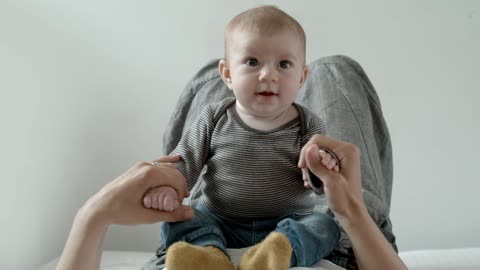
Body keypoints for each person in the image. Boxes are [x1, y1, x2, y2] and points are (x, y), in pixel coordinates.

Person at [142, 6, 341, 270]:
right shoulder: (214, 116)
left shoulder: (309, 123)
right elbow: (184, 161)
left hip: (287, 223)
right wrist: (168, 187)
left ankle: (277, 252)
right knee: (179, 218)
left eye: (283, 64)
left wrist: (323, 164)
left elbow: (318, 184)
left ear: (301, 77)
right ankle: (207, 254)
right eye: (252, 62)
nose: (268, 75)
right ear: (227, 74)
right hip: (219, 221)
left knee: (325, 226)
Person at [55, 136, 408, 270]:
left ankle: (237, 80)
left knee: (215, 104)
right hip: (316, 242)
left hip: (194, 250)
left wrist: (93, 215)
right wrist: (352, 213)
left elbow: (183, 173)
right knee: (336, 71)